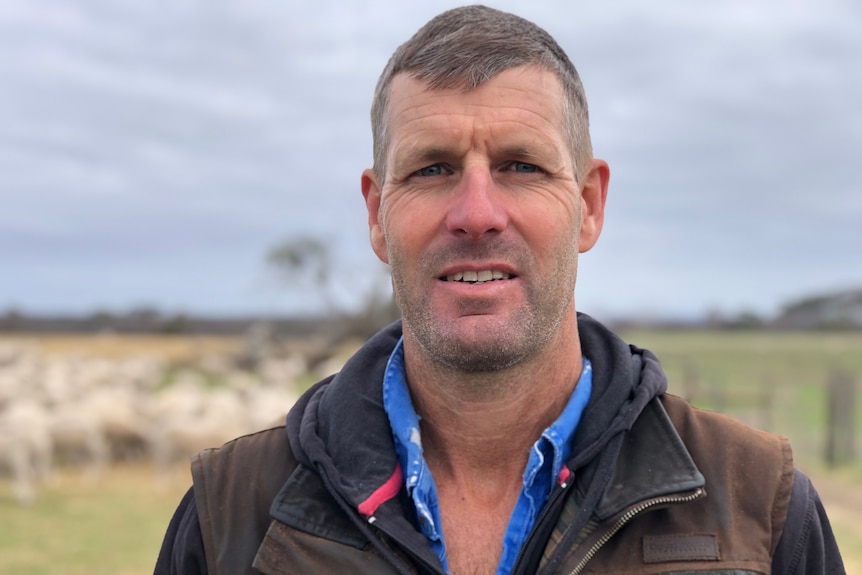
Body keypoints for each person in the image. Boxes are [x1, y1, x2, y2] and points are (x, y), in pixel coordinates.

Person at [155, 5, 845, 574]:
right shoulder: (234, 515)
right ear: (376, 214)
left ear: (589, 204)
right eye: (431, 169)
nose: (477, 213)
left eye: (520, 164)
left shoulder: (758, 505)